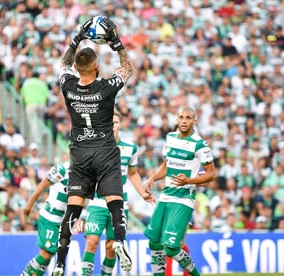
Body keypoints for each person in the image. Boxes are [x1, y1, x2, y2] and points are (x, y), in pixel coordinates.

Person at [52, 16, 134, 276]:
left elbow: (64, 64)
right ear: (96, 65)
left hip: (80, 155)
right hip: (105, 152)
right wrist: (116, 43)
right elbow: (127, 69)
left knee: (73, 209)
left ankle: (61, 262)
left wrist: (77, 38)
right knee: (115, 203)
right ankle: (119, 241)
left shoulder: (68, 87)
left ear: (78, 67)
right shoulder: (106, 88)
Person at [144, 106, 216, 276]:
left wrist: (189, 180)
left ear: (194, 120)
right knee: (154, 242)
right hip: (165, 196)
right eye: (181, 117)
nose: (184, 121)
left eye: (188, 118)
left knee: (171, 248)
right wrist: (153, 178)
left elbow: (212, 174)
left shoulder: (199, 144)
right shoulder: (169, 138)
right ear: (176, 119)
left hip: (183, 199)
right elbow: (166, 165)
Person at [81, 110, 153, 275]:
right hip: (98, 202)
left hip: (120, 204)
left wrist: (142, 193)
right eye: (109, 122)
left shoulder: (130, 148)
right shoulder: (94, 146)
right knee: (91, 241)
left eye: (115, 123)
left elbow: (132, 174)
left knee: (112, 247)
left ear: (120, 125)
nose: (112, 126)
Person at [21, 161, 70, 276]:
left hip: (62, 220)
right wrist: (28, 206)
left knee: (48, 256)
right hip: (50, 217)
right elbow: (41, 186)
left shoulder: (84, 171)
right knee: (45, 254)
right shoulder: (61, 169)